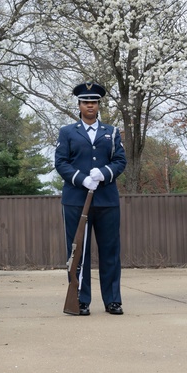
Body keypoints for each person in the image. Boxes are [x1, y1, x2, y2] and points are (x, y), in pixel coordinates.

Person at [55, 82, 127, 316]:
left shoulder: (111, 132)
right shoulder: (67, 132)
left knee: (110, 252)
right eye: (86, 102)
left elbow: (120, 161)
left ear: (98, 105)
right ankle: (80, 298)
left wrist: (104, 173)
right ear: (79, 105)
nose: (90, 106)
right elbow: (61, 163)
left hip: (106, 200)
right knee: (78, 251)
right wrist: (81, 179)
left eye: (94, 102)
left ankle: (113, 300)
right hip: (76, 199)